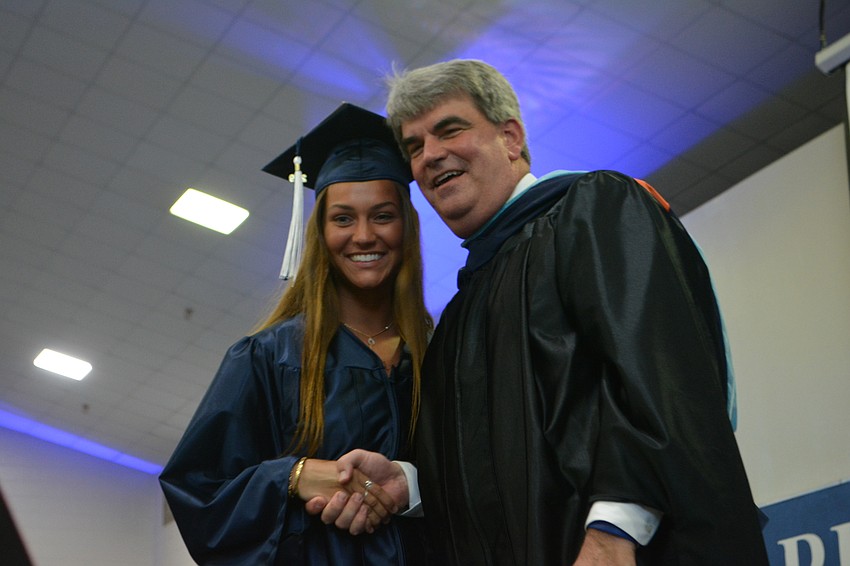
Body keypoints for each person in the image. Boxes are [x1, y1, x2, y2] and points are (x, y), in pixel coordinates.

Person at [329, 59, 770, 565]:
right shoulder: (456, 320)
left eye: (450, 130)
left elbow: (662, 377)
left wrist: (614, 532)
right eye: (415, 146)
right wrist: (410, 484)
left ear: (510, 137)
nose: (431, 155)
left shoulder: (595, 209)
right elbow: (501, 466)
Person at [159, 103, 434, 565]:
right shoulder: (270, 356)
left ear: (406, 226)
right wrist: (295, 475)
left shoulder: (440, 353)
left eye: (383, 215)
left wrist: (407, 490)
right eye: (343, 218)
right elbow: (197, 490)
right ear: (320, 234)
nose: (364, 235)